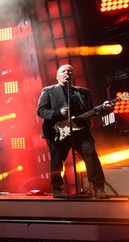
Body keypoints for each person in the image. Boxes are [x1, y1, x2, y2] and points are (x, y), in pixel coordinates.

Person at [36, 64, 111, 198]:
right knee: (58, 160)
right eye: (63, 71)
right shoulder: (48, 91)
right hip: (58, 131)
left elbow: (91, 110)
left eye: (70, 71)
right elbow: (41, 111)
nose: (67, 73)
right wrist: (58, 113)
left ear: (73, 75)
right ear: (57, 76)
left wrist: (103, 108)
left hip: (81, 131)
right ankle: (57, 188)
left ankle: (98, 188)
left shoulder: (83, 92)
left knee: (91, 155)